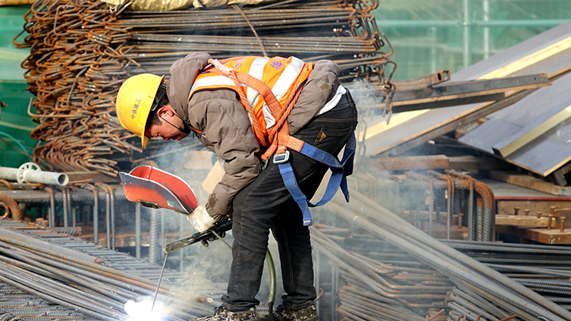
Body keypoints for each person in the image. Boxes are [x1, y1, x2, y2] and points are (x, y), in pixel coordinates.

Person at [115, 53, 358, 321]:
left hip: (321, 113)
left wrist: (211, 212)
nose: (164, 139)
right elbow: (243, 160)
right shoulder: (196, 90)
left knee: (251, 207)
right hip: (327, 108)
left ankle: (238, 310)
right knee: (284, 209)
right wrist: (220, 206)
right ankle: (299, 308)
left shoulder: (202, 102)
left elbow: (244, 166)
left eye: (157, 133)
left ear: (165, 112)